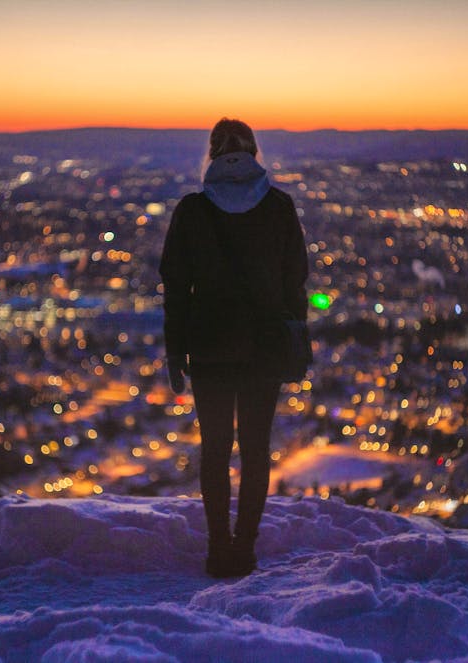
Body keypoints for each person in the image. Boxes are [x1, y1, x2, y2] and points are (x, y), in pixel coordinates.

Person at [159, 118, 308, 578]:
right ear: (254, 153)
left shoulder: (192, 211)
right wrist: (294, 338)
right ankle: (244, 547)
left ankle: (218, 548)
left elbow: (176, 287)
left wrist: (175, 351)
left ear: (212, 155)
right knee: (255, 449)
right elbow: (295, 282)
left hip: (209, 347)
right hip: (265, 347)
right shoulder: (279, 207)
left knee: (216, 450)